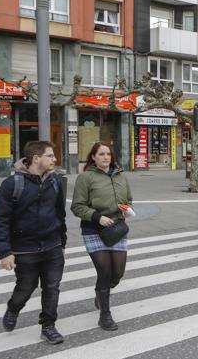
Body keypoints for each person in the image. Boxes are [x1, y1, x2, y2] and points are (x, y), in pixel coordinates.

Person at [0, 141, 67, 344]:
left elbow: (60, 213)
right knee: (26, 287)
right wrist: (4, 251)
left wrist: (62, 241)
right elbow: (0, 219)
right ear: (36, 158)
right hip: (25, 249)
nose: (54, 159)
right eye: (50, 156)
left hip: (52, 246)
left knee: (52, 287)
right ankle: (13, 308)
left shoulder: (56, 182)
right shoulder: (12, 184)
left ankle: (48, 326)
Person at [70, 142, 132, 331]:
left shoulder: (121, 176)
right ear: (93, 157)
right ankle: (105, 315)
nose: (106, 157)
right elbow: (77, 206)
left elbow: (128, 199)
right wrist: (98, 217)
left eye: (108, 154)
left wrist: (126, 209)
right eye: (101, 154)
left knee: (117, 273)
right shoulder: (85, 177)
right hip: (94, 229)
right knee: (104, 272)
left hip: (116, 228)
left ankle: (100, 293)